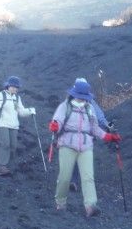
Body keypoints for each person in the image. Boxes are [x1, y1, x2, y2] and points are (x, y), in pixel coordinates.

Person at [49, 79, 121, 217]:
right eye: (80, 96)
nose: (82, 99)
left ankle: (90, 205)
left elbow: (94, 129)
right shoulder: (65, 106)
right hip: (67, 145)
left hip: (86, 146)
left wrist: (109, 137)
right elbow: (57, 121)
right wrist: (55, 126)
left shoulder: (90, 108)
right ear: (74, 94)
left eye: (84, 97)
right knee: (64, 177)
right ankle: (61, 202)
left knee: (88, 177)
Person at [69, 77, 113, 192]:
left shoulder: (89, 103)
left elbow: (99, 116)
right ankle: (75, 180)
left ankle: (76, 180)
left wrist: (107, 125)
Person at [0, 76, 36, 176]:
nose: (15, 88)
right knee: (5, 144)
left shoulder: (17, 98)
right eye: (13, 86)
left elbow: (21, 112)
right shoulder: (0, 95)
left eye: (17, 87)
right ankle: (2, 166)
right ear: (8, 86)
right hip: (2, 124)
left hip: (14, 125)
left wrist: (30, 111)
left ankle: (7, 166)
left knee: (13, 146)